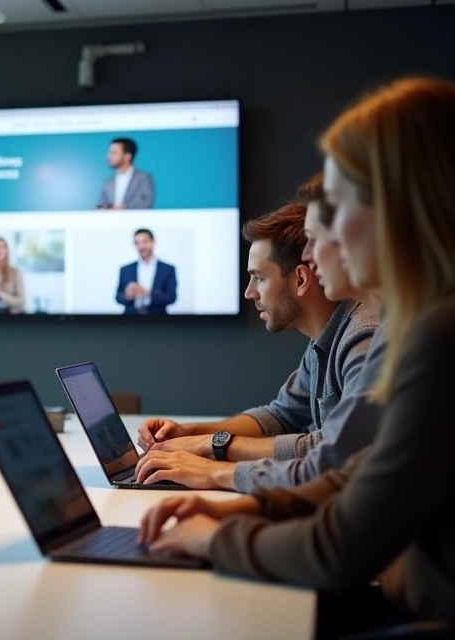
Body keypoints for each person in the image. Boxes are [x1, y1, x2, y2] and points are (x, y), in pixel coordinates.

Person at [139, 77, 455, 631]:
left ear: (393, 207)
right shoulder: (414, 323)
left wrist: (216, 535)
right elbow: (357, 472)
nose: (311, 249)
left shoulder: (434, 332)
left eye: (338, 205)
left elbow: (340, 545)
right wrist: (252, 504)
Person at [133, 200, 379, 490]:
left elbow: (334, 449)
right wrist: (188, 433)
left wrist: (213, 454)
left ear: (301, 279)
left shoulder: (363, 337)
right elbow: (280, 416)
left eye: (259, 278)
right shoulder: (324, 339)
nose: (250, 293)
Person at [115, 228, 177, 315]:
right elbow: (118, 297)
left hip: (158, 317)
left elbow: (171, 298)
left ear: (153, 242)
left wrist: (146, 293)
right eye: (137, 243)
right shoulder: (126, 269)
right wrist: (127, 295)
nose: (141, 246)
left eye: (145, 241)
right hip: (130, 317)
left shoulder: (167, 269)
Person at [96, 137, 155, 209]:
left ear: (127, 156)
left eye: (113, 153)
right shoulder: (109, 182)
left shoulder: (144, 178)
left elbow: (146, 202)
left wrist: (124, 208)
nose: (108, 156)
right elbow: (100, 206)